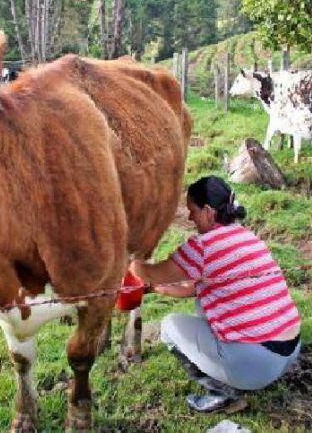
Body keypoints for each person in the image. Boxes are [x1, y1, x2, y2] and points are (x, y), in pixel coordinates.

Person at [129, 176, 301, 413]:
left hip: (257, 365)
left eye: (193, 211)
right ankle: (235, 370)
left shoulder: (203, 247)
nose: (189, 218)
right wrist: (158, 290)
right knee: (205, 301)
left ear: (208, 211)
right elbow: (197, 287)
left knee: (169, 327)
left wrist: (130, 257)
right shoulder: (247, 236)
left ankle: (223, 394)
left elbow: (150, 273)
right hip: (289, 352)